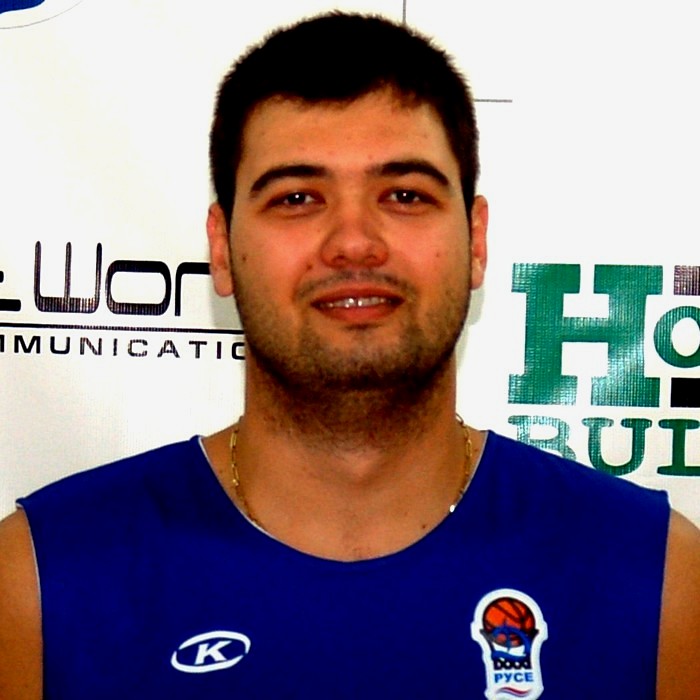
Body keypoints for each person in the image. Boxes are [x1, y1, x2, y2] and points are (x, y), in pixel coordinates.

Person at [1, 11, 699, 699]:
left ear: (476, 238)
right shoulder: (39, 581)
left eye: (405, 194)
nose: (354, 241)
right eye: (297, 197)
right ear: (221, 248)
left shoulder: (657, 581)